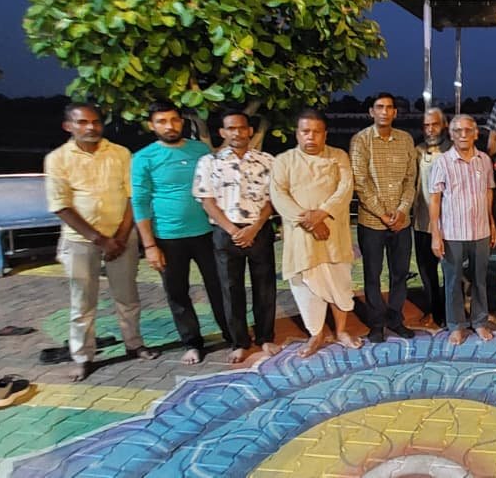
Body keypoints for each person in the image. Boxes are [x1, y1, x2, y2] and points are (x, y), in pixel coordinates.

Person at [45, 102, 160, 382]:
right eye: (82, 122)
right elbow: (61, 206)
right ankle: (83, 357)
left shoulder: (120, 153)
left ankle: (134, 344)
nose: (91, 128)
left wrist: (120, 237)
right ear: (68, 126)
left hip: (122, 239)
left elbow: (134, 196)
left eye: (95, 122)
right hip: (80, 242)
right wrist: (99, 239)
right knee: (82, 302)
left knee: (128, 296)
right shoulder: (57, 158)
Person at [132, 101, 236, 365]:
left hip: (206, 232)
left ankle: (232, 334)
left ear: (182, 122)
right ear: (152, 125)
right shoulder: (144, 158)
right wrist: (149, 245)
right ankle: (192, 343)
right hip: (167, 237)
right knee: (177, 292)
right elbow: (140, 202)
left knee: (219, 286)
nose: (169, 126)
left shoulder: (199, 150)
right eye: (162, 121)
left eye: (174, 120)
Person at [270, 109, 363, 356]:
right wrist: (309, 221)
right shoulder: (283, 160)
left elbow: (345, 190)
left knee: (339, 285)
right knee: (306, 288)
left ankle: (342, 330)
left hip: (334, 236)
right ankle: (317, 334)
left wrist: (321, 213)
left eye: (316, 132)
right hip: (302, 239)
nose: (311, 137)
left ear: (325, 134)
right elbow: (279, 196)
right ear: (297, 134)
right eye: (305, 131)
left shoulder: (338, 157)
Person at [193, 109, 278, 363]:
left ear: (250, 130)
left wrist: (254, 228)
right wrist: (233, 230)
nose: (237, 133)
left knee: (264, 287)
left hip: (259, 230)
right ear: (222, 132)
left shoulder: (267, 161)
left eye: (242, 128)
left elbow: (273, 198)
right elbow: (206, 201)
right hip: (225, 232)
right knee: (231, 289)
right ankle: (239, 342)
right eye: (231, 128)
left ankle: (265, 337)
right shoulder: (210, 162)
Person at [350, 93, 418, 343]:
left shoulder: (406, 140)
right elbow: (360, 181)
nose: (384, 112)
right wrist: (382, 213)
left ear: (395, 113)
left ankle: (396, 318)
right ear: (371, 112)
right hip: (372, 222)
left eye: (389, 108)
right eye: (380, 107)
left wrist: (401, 211)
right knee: (373, 274)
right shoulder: (361, 141)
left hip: (402, 222)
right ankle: (377, 323)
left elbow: (411, 179)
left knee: (400, 273)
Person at [428, 114, 496, 345]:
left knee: (479, 280)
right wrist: (436, 235)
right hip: (452, 233)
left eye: (468, 130)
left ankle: (479, 322)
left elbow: (488, 192)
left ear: (476, 133)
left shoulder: (484, 160)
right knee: (453, 280)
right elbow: (435, 200)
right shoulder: (442, 162)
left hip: (480, 231)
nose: (463, 134)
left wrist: (491, 221)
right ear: (451, 134)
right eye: (458, 130)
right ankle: (456, 325)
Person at [412, 108, 452, 328]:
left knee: (449, 270)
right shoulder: (417, 150)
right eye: (426, 125)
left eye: (434, 125)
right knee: (426, 270)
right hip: (422, 220)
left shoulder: (453, 151)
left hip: (449, 223)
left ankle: (449, 311)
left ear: (444, 125)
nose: (430, 129)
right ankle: (432, 308)